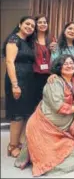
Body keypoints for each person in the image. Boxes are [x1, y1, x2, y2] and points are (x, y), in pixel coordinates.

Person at [22, 55, 74, 176]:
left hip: (65, 122)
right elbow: (58, 106)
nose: (69, 65)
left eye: (71, 63)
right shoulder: (54, 81)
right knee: (52, 157)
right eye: (65, 63)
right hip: (45, 125)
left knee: (72, 148)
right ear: (59, 67)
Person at [3, 16, 36, 158]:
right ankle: (12, 146)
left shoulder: (27, 42)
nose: (30, 27)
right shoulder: (13, 39)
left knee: (24, 113)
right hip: (17, 81)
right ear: (20, 24)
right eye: (27, 24)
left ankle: (19, 143)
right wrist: (15, 85)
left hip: (28, 81)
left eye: (32, 26)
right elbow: (10, 62)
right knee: (17, 115)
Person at [33, 15, 56, 107]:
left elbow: (56, 57)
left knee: (47, 102)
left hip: (49, 76)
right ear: (35, 25)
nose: (43, 24)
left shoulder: (51, 39)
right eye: (40, 22)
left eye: (45, 22)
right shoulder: (31, 40)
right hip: (34, 75)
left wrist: (54, 49)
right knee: (34, 102)